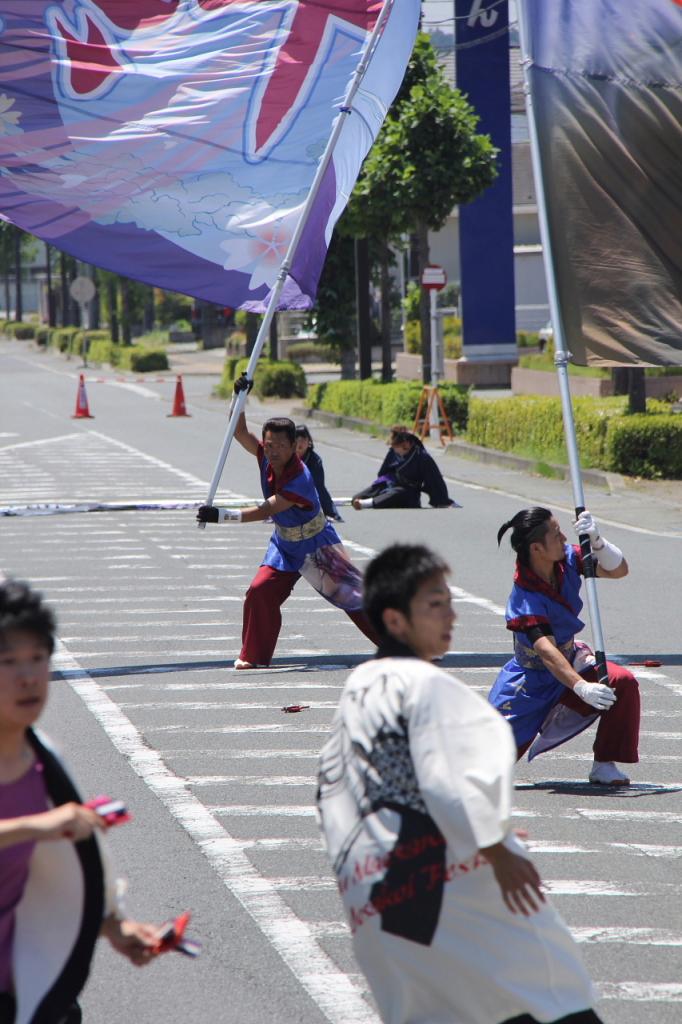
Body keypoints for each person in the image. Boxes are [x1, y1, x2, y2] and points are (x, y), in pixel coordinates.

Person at [316, 544, 603, 1024]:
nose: (451, 614)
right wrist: (495, 845)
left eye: (450, 600)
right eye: (434, 603)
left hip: (381, 919)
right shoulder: (425, 688)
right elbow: (441, 776)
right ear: (394, 620)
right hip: (453, 911)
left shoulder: (354, 702)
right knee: (553, 1004)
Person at [0, 579, 161, 1024]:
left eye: (37, 658)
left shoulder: (43, 757)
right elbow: (52, 828)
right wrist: (42, 824)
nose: (28, 677)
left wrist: (113, 925)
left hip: (30, 987)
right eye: (8, 662)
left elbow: (77, 862)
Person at [197, 377, 379, 669]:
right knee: (259, 592)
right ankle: (253, 656)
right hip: (283, 545)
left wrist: (220, 515)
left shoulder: (300, 478)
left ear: (295, 446)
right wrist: (238, 396)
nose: (272, 451)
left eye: (281, 445)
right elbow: (239, 430)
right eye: (269, 445)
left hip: (317, 545)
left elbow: (265, 509)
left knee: (353, 598)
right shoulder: (266, 459)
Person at [488, 507, 640, 786]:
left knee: (623, 681)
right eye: (556, 534)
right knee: (484, 765)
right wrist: (581, 687)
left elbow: (619, 570)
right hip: (531, 682)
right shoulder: (525, 595)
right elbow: (546, 651)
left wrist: (597, 541)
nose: (563, 537)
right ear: (537, 548)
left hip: (571, 661)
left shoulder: (569, 560)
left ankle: (604, 763)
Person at [351, 425, 459, 510]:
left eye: (398, 449)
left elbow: (434, 480)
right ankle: (362, 500)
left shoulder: (422, 457)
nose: (396, 452)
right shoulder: (393, 452)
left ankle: (367, 504)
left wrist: (442, 499)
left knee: (397, 493)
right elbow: (383, 472)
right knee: (357, 497)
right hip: (392, 483)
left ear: (406, 445)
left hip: (408, 491)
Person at [293, 424, 341, 521]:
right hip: (290, 491)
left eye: (303, 440)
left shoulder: (315, 460)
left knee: (319, 488)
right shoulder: (287, 457)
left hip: (308, 490)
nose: (300, 444)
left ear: (309, 442)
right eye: (297, 440)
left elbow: (317, 485)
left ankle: (330, 512)